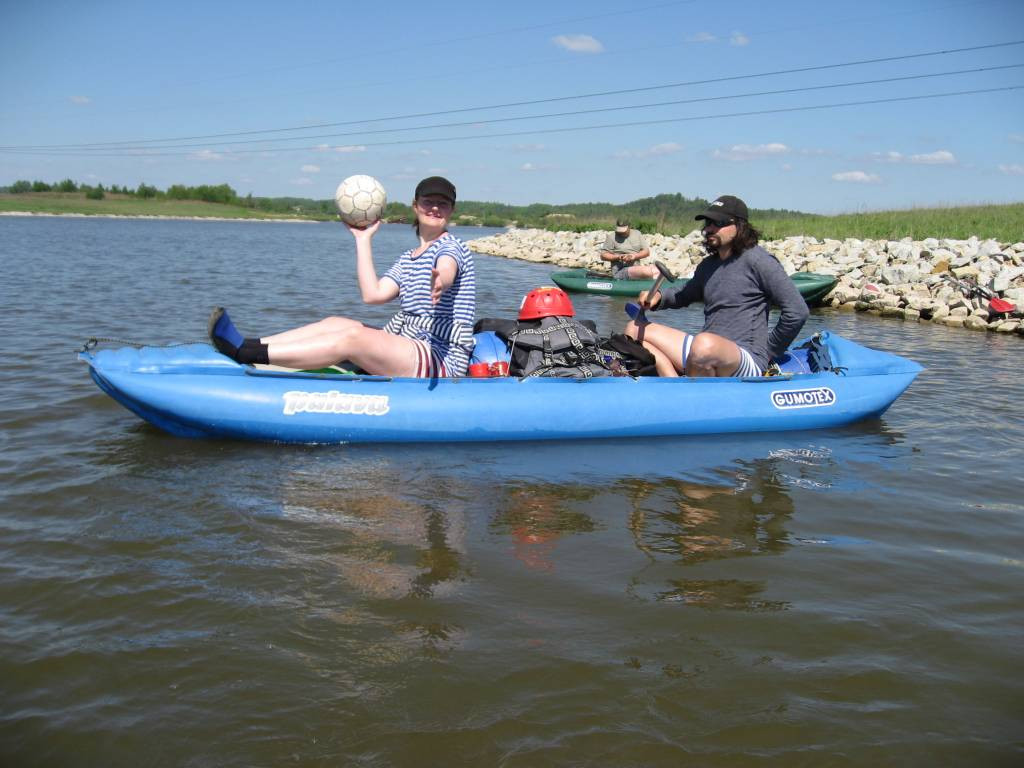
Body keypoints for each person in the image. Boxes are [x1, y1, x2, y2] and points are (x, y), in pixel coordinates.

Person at [208, 176, 476, 377]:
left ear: (451, 210)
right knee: (336, 323)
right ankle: (251, 343)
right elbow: (372, 295)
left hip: (441, 358)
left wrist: (442, 280)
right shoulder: (408, 258)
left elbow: (447, 266)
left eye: (443, 204)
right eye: (428, 202)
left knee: (353, 338)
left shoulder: (452, 247)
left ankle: (246, 353)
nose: (435, 208)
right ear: (415, 206)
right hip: (411, 343)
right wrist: (363, 239)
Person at [625, 195, 808, 377]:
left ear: (739, 226)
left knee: (703, 344)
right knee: (634, 329)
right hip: (704, 351)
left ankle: (689, 386)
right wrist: (659, 297)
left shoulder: (759, 261)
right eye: (708, 223)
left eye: (718, 223)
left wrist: (770, 351)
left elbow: (797, 311)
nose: (709, 229)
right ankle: (672, 380)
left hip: (746, 357)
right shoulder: (708, 265)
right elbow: (684, 293)